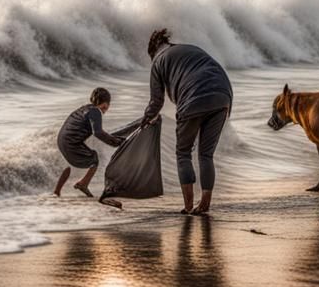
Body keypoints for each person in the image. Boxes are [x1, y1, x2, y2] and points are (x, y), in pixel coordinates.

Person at [143, 29, 232, 215]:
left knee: (183, 153)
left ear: (153, 51)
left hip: (193, 100)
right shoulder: (191, 49)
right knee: (206, 154)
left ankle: (189, 205)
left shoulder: (158, 61)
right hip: (223, 96)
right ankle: (205, 201)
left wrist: (145, 119)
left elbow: (156, 102)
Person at [53, 88, 137, 205]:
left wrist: (112, 139)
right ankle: (83, 184)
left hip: (62, 139)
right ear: (107, 103)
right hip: (71, 142)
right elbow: (97, 132)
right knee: (94, 159)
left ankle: (56, 192)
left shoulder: (86, 108)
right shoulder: (96, 112)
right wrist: (115, 142)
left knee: (69, 165)